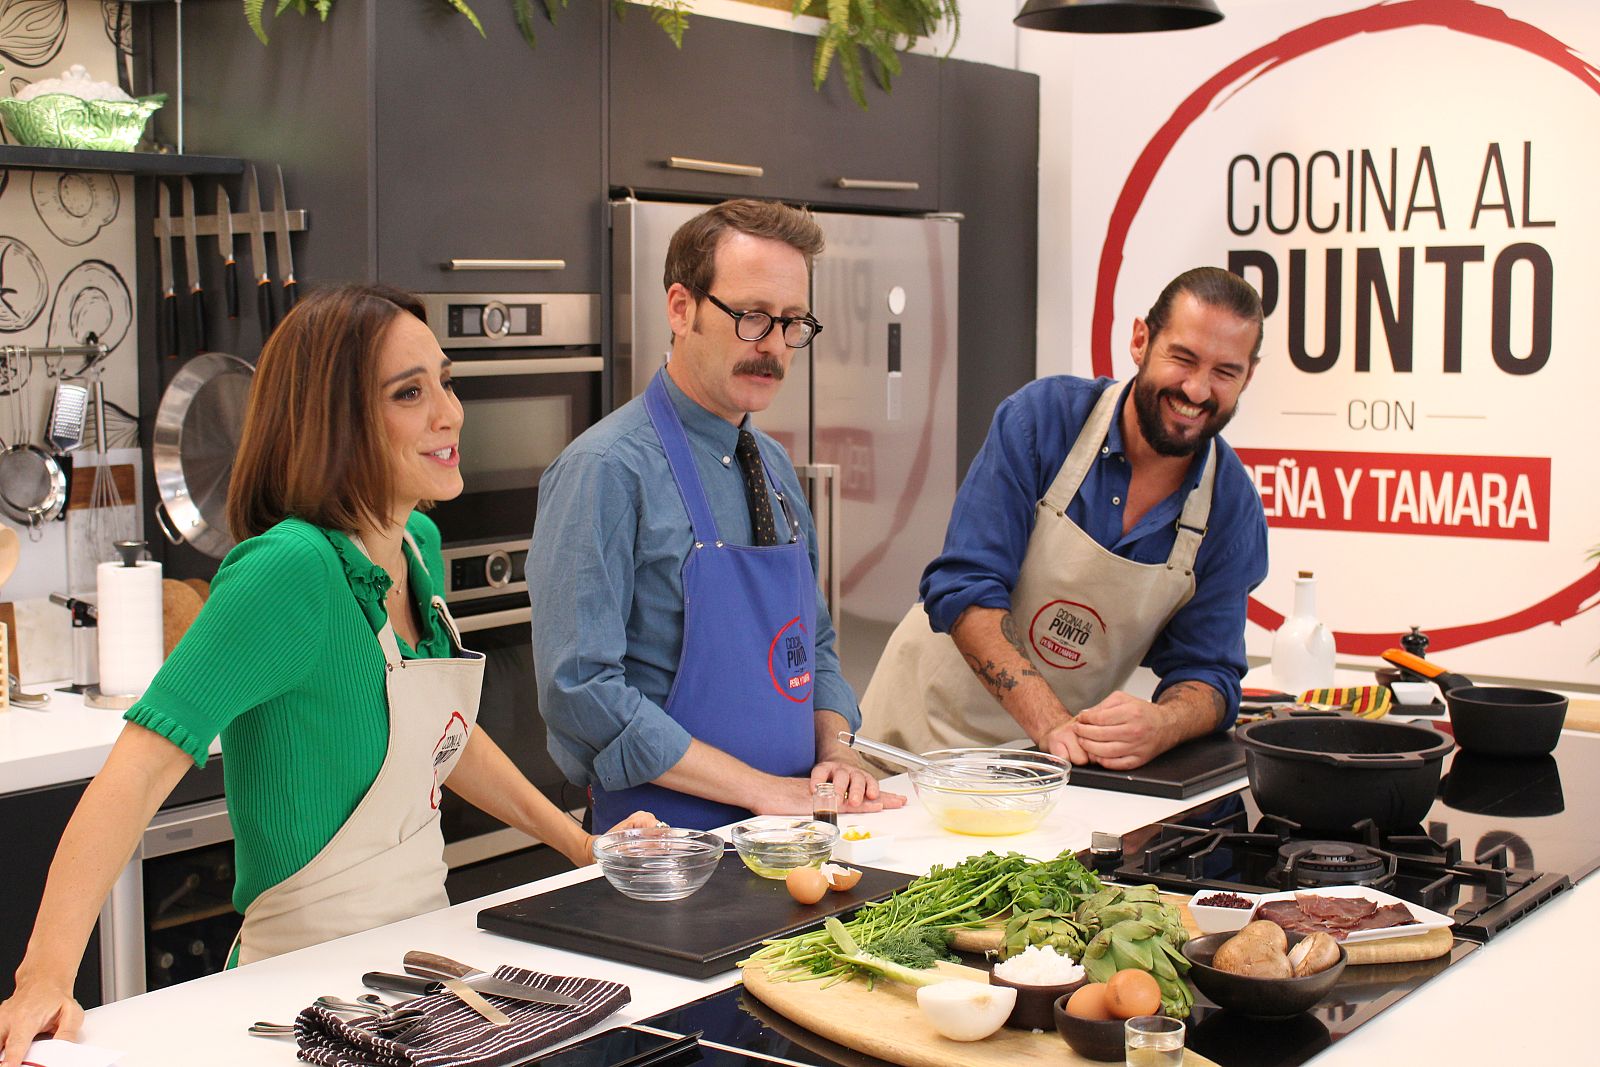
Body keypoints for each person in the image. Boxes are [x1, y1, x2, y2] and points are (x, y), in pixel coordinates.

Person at [0, 285, 654, 1066]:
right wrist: (44, 978)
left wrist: (582, 846)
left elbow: (442, 738)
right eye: (409, 393)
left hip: (420, 977)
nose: (449, 412)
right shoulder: (289, 570)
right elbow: (137, 772)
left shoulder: (415, 546)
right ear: (336, 420)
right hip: (296, 1001)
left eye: (445, 382)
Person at [529, 199, 904, 831]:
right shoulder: (605, 470)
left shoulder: (773, 465)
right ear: (681, 308)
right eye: (752, 317)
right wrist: (759, 790)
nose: (774, 347)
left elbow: (811, 644)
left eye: (792, 322)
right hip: (666, 843)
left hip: (793, 831)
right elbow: (581, 691)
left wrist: (836, 750)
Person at [861, 267, 1269, 771]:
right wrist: (1051, 724)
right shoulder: (1042, 420)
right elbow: (966, 587)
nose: (1198, 390)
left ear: (1248, 377)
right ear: (1140, 341)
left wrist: (1163, 724)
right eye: (1182, 358)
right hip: (910, 749)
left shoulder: (1230, 508)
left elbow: (1209, 672)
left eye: (1225, 372)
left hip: (1044, 772)